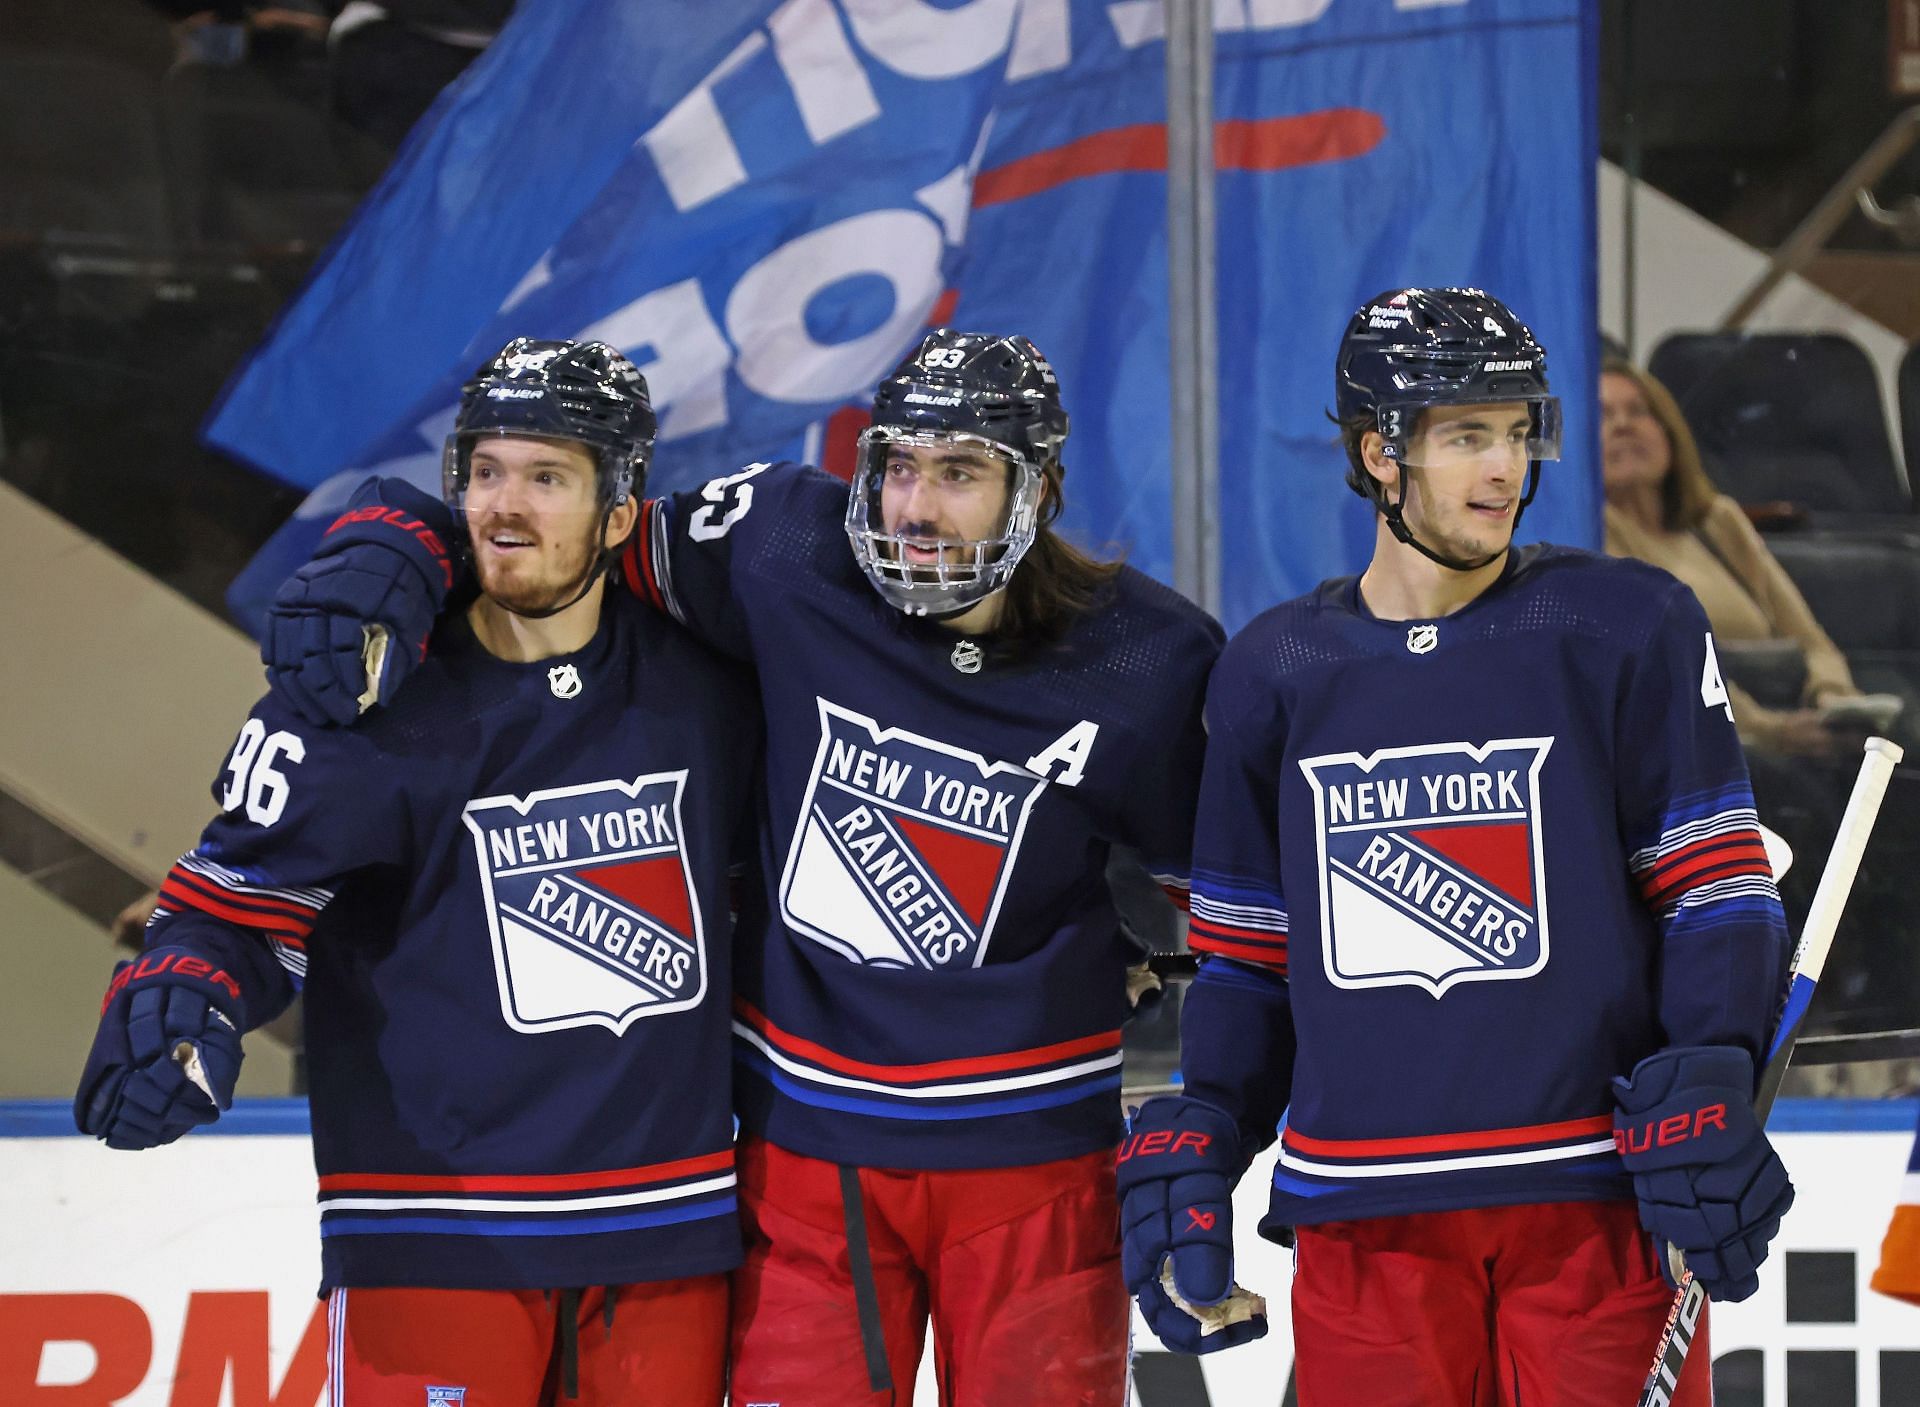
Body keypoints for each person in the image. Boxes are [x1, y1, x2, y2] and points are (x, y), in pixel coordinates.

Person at [255, 328, 1224, 1406]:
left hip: (1038, 1160)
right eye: (897, 464)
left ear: (1035, 487)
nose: (914, 507)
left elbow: (1234, 924)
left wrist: (1209, 1109)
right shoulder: (779, 548)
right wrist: (395, 535)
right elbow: (556, 521)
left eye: (958, 473)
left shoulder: (1151, 657)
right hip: (802, 1153)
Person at [1115, 288, 1795, 1405]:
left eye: (1519, 433)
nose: (1504, 471)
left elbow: (1715, 885)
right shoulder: (1274, 668)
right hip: (1363, 1218)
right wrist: (1214, 1123)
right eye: (1467, 436)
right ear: (1381, 451)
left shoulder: (1624, 623)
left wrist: (1711, 1061)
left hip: (1593, 1203)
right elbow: (1247, 954)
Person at [74, 339, 758, 1407]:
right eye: (483, 471)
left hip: (664, 1234)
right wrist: (189, 993)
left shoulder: (709, 689)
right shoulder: (361, 698)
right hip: (432, 1233)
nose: (504, 504)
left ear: (622, 513)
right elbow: (238, 913)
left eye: (547, 476)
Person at [1599, 355, 1881, 757]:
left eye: (1639, 411)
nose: (1624, 425)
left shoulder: (1718, 521)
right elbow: (1668, 671)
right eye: (1602, 415)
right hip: (1710, 745)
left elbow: (1809, 638)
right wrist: (1774, 731)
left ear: (1669, 431)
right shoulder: (1589, 535)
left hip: (1794, 728)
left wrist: (1835, 703)